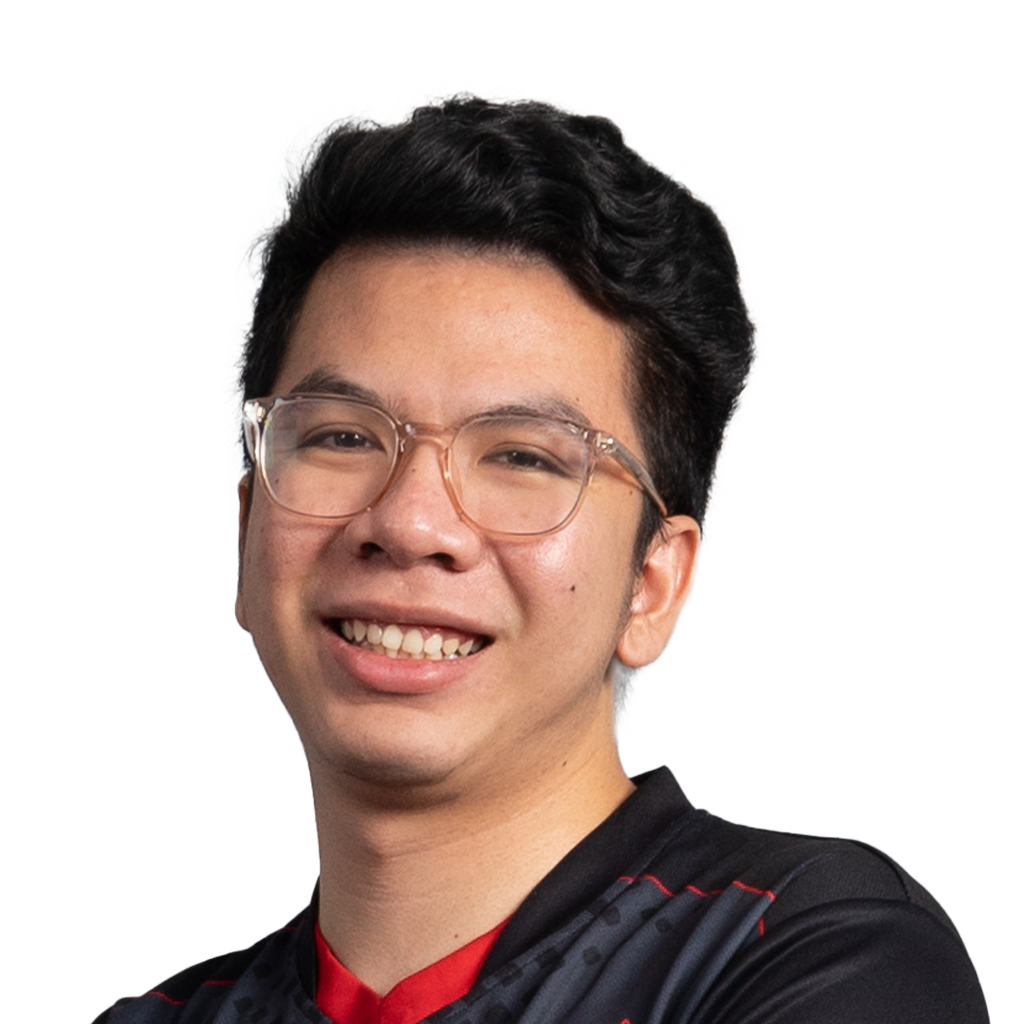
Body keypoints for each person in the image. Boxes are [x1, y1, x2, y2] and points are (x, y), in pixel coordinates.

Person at [95, 93, 988, 1024]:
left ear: (652, 584)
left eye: (523, 457)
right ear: (247, 530)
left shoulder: (816, 951)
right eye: (343, 437)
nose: (410, 522)